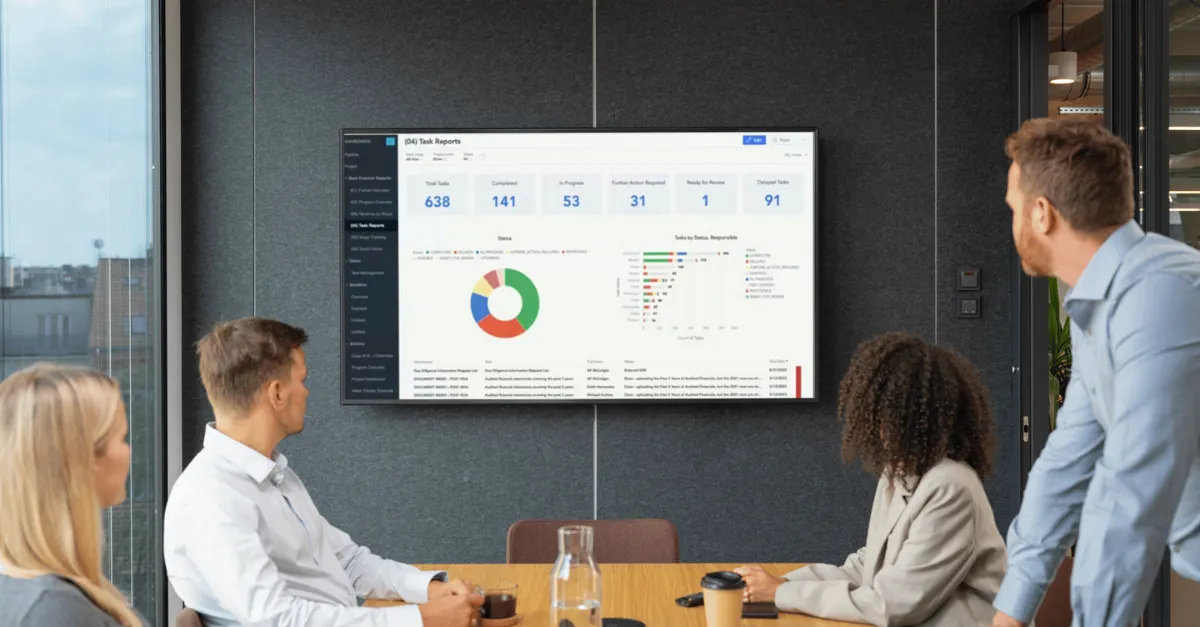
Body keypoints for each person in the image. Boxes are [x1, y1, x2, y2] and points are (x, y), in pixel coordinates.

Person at [992, 119, 1200, 627]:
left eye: (1014, 208)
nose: (1013, 221)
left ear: (1042, 214)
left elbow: (1129, 495)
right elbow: (1065, 468)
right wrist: (1008, 618)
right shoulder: (1101, 306)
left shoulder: (1159, 296)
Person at [164, 317, 483, 627]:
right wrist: (423, 620)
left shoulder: (276, 477)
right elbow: (278, 619)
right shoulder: (210, 497)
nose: (307, 393)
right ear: (276, 393)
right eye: (302, 380)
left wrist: (432, 591)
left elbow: (348, 562)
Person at [737, 332, 1007, 626]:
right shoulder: (902, 472)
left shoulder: (950, 487)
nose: (873, 425)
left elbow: (892, 604)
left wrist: (782, 592)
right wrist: (775, 583)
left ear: (912, 417)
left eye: (881, 413)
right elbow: (869, 567)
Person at [0, 364, 144, 627]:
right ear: (81, 459)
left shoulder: (29, 591)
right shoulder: (57, 611)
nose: (129, 452)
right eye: (122, 438)